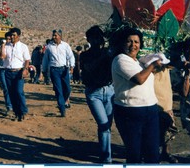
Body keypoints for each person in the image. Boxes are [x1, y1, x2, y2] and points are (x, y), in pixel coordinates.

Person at [111, 27, 163, 163]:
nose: (133, 45)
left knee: (152, 152)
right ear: (122, 43)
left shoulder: (139, 62)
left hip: (150, 109)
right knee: (135, 153)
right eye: (129, 41)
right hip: (130, 111)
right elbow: (139, 79)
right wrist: (152, 66)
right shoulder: (120, 60)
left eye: (136, 42)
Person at [80, 25, 114, 163]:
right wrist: (104, 56)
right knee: (104, 124)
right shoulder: (85, 55)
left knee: (106, 127)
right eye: (93, 38)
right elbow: (89, 67)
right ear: (89, 39)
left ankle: (104, 154)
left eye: (98, 37)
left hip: (110, 90)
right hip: (94, 93)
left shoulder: (108, 53)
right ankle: (107, 159)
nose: (96, 41)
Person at [0, 27, 30, 121]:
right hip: (8, 72)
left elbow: (27, 60)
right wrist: (3, 45)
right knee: (11, 93)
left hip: (18, 72)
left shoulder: (23, 47)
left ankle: (23, 111)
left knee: (19, 92)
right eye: (11, 35)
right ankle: (17, 113)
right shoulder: (7, 46)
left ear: (18, 36)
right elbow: (2, 57)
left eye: (14, 35)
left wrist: (25, 69)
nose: (12, 37)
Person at [42, 29, 75, 117]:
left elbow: (71, 56)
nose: (53, 37)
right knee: (58, 90)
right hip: (54, 70)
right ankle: (62, 108)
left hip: (64, 69)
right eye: (53, 35)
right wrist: (44, 70)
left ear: (60, 36)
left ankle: (64, 101)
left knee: (67, 89)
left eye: (55, 35)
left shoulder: (65, 45)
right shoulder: (49, 47)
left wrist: (72, 66)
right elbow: (45, 59)